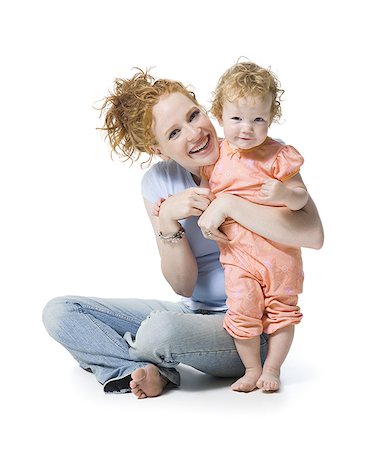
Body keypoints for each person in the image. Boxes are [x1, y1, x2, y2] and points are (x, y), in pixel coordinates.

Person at [42, 69, 324, 399]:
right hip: (192, 313)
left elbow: (313, 234)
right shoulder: (158, 184)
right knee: (61, 312)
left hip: (248, 328)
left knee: (159, 332)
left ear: (207, 110)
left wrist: (230, 204)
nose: (194, 133)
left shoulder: (254, 153)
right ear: (157, 148)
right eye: (174, 132)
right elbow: (183, 285)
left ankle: (142, 360)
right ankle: (139, 371)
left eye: (194, 115)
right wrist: (167, 221)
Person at [198, 61, 314, 393]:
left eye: (258, 119)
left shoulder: (278, 156)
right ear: (219, 116)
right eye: (236, 118)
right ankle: (251, 369)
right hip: (238, 255)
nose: (246, 128)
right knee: (242, 308)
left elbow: (301, 200)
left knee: (282, 311)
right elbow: (208, 195)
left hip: (280, 255)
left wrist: (284, 194)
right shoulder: (218, 155)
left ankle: (273, 368)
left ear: (270, 119)